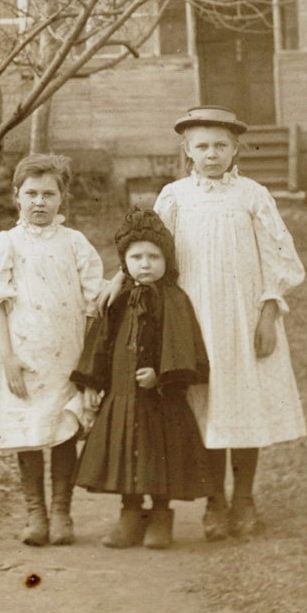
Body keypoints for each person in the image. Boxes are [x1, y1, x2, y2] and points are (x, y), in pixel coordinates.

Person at [154, 105, 307, 540]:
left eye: (220, 145)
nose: (212, 154)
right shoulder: (174, 197)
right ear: (187, 150)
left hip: (243, 317)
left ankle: (243, 498)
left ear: (236, 148)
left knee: (242, 404)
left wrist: (269, 313)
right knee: (205, 409)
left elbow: (278, 256)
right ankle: (214, 502)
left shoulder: (252, 196)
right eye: (202, 146)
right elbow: (153, 254)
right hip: (193, 319)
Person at [0, 152, 106, 546]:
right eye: (31, 194)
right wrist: (8, 358)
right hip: (22, 355)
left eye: (48, 194)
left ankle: (62, 511)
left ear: (62, 198)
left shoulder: (75, 243)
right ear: (17, 196)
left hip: (66, 355)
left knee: (63, 430)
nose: (40, 202)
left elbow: (96, 299)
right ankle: (36, 514)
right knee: (27, 430)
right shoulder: (8, 242)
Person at [70, 209, 211, 549]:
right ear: (125, 262)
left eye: (153, 257)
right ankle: (130, 513)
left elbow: (182, 345)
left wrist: (162, 378)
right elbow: (101, 341)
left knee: (160, 455)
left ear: (166, 260)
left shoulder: (174, 299)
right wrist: (93, 382)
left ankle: (161, 514)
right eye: (136, 257)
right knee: (126, 454)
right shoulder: (117, 298)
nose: (145, 264)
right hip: (122, 395)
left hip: (161, 400)